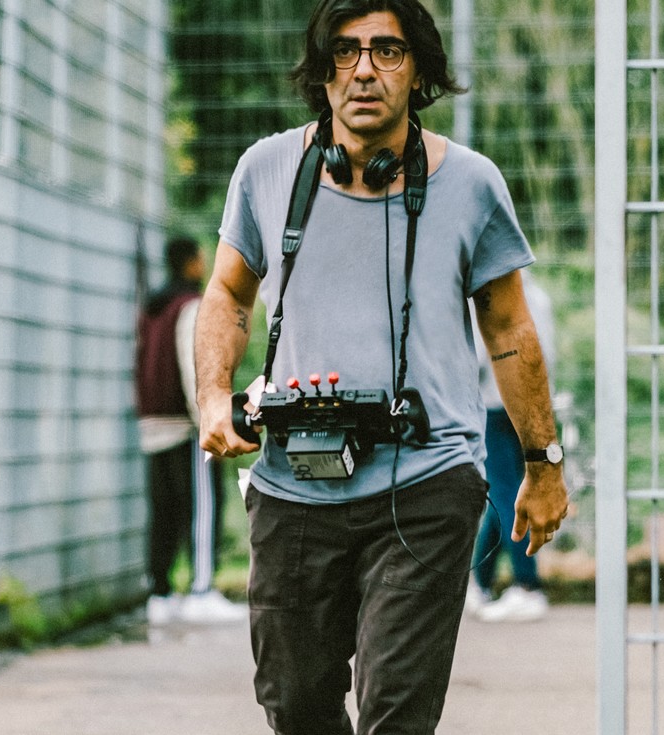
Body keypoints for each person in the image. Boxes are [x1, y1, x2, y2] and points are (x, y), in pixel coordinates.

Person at [193, 1, 568, 732]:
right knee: (296, 706)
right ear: (321, 70)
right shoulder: (266, 169)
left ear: (419, 69)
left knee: (396, 713)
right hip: (292, 484)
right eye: (345, 51)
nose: (364, 69)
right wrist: (212, 396)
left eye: (388, 51)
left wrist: (543, 462)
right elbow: (228, 294)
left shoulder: (471, 183)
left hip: (426, 481)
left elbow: (508, 327)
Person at [135, 236, 245, 625]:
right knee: (203, 506)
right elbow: (191, 362)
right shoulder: (190, 306)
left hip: (152, 426)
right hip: (184, 426)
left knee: (163, 512)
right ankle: (201, 589)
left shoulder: (152, 308)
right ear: (191, 264)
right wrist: (207, 420)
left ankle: (160, 595)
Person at [468, 271, 558, 623]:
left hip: (493, 403)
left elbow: (475, 358)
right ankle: (480, 583)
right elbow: (545, 354)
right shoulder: (538, 296)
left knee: (505, 494)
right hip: (529, 408)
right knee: (506, 494)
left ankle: (527, 583)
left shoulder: (488, 295)